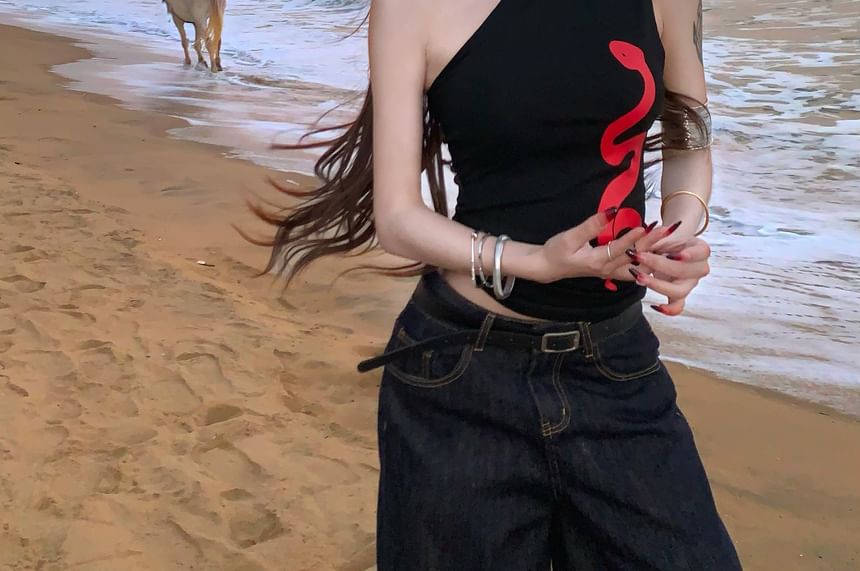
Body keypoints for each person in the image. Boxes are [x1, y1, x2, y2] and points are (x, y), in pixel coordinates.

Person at [255, 0, 742, 568]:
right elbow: (397, 217)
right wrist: (533, 262)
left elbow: (690, 137)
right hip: (463, 380)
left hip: (616, 367)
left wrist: (679, 231)